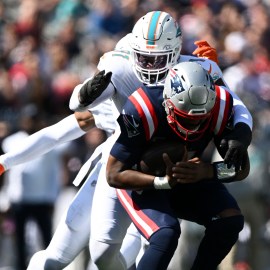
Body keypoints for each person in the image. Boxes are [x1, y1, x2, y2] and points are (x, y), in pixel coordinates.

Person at [0, 11, 250, 270]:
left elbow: (237, 116)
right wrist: (5, 161)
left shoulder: (205, 88)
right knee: (91, 256)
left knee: (171, 235)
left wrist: (228, 149)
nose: (150, 68)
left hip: (172, 175)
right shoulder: (131, 99)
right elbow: (69, 121)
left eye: (157, 59)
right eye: (143, 59)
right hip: (127, 168)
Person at [106, 61, 251, 270]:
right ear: (167, 102)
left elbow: (241, 168)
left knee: (229, 220)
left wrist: (207, 171)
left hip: (187, 178)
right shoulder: (143, 108)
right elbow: (113, 175)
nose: (193, 125)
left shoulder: (220, 105)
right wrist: (162, 181)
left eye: (201, 119)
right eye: (186, 118)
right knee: (166, 233)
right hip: (144, 183)